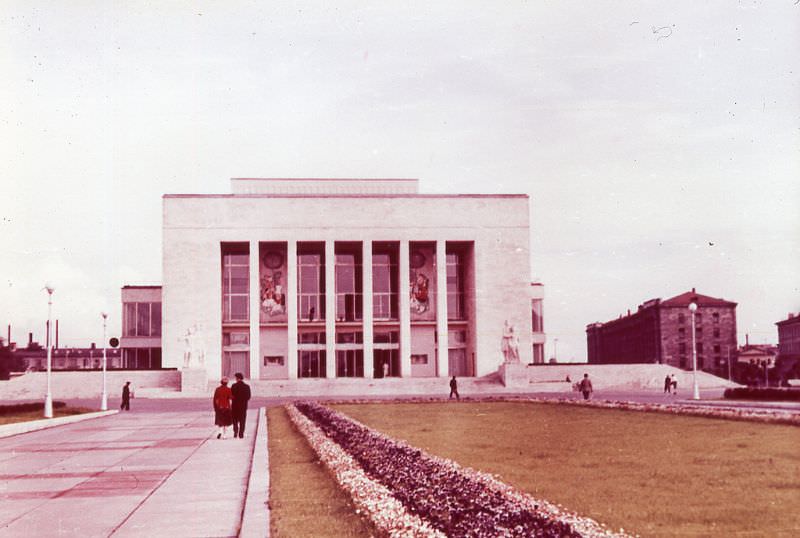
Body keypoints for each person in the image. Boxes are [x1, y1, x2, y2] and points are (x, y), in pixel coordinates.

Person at [230, 372, 251, 439]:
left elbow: (231, 396)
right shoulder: (247, 386)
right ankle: (241, 433)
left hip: (235, 406)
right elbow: (248, 396)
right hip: (243, 406)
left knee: (235, 420)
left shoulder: (233, 386)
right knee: (242, 420)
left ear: (237, 378)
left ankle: (235, 431)